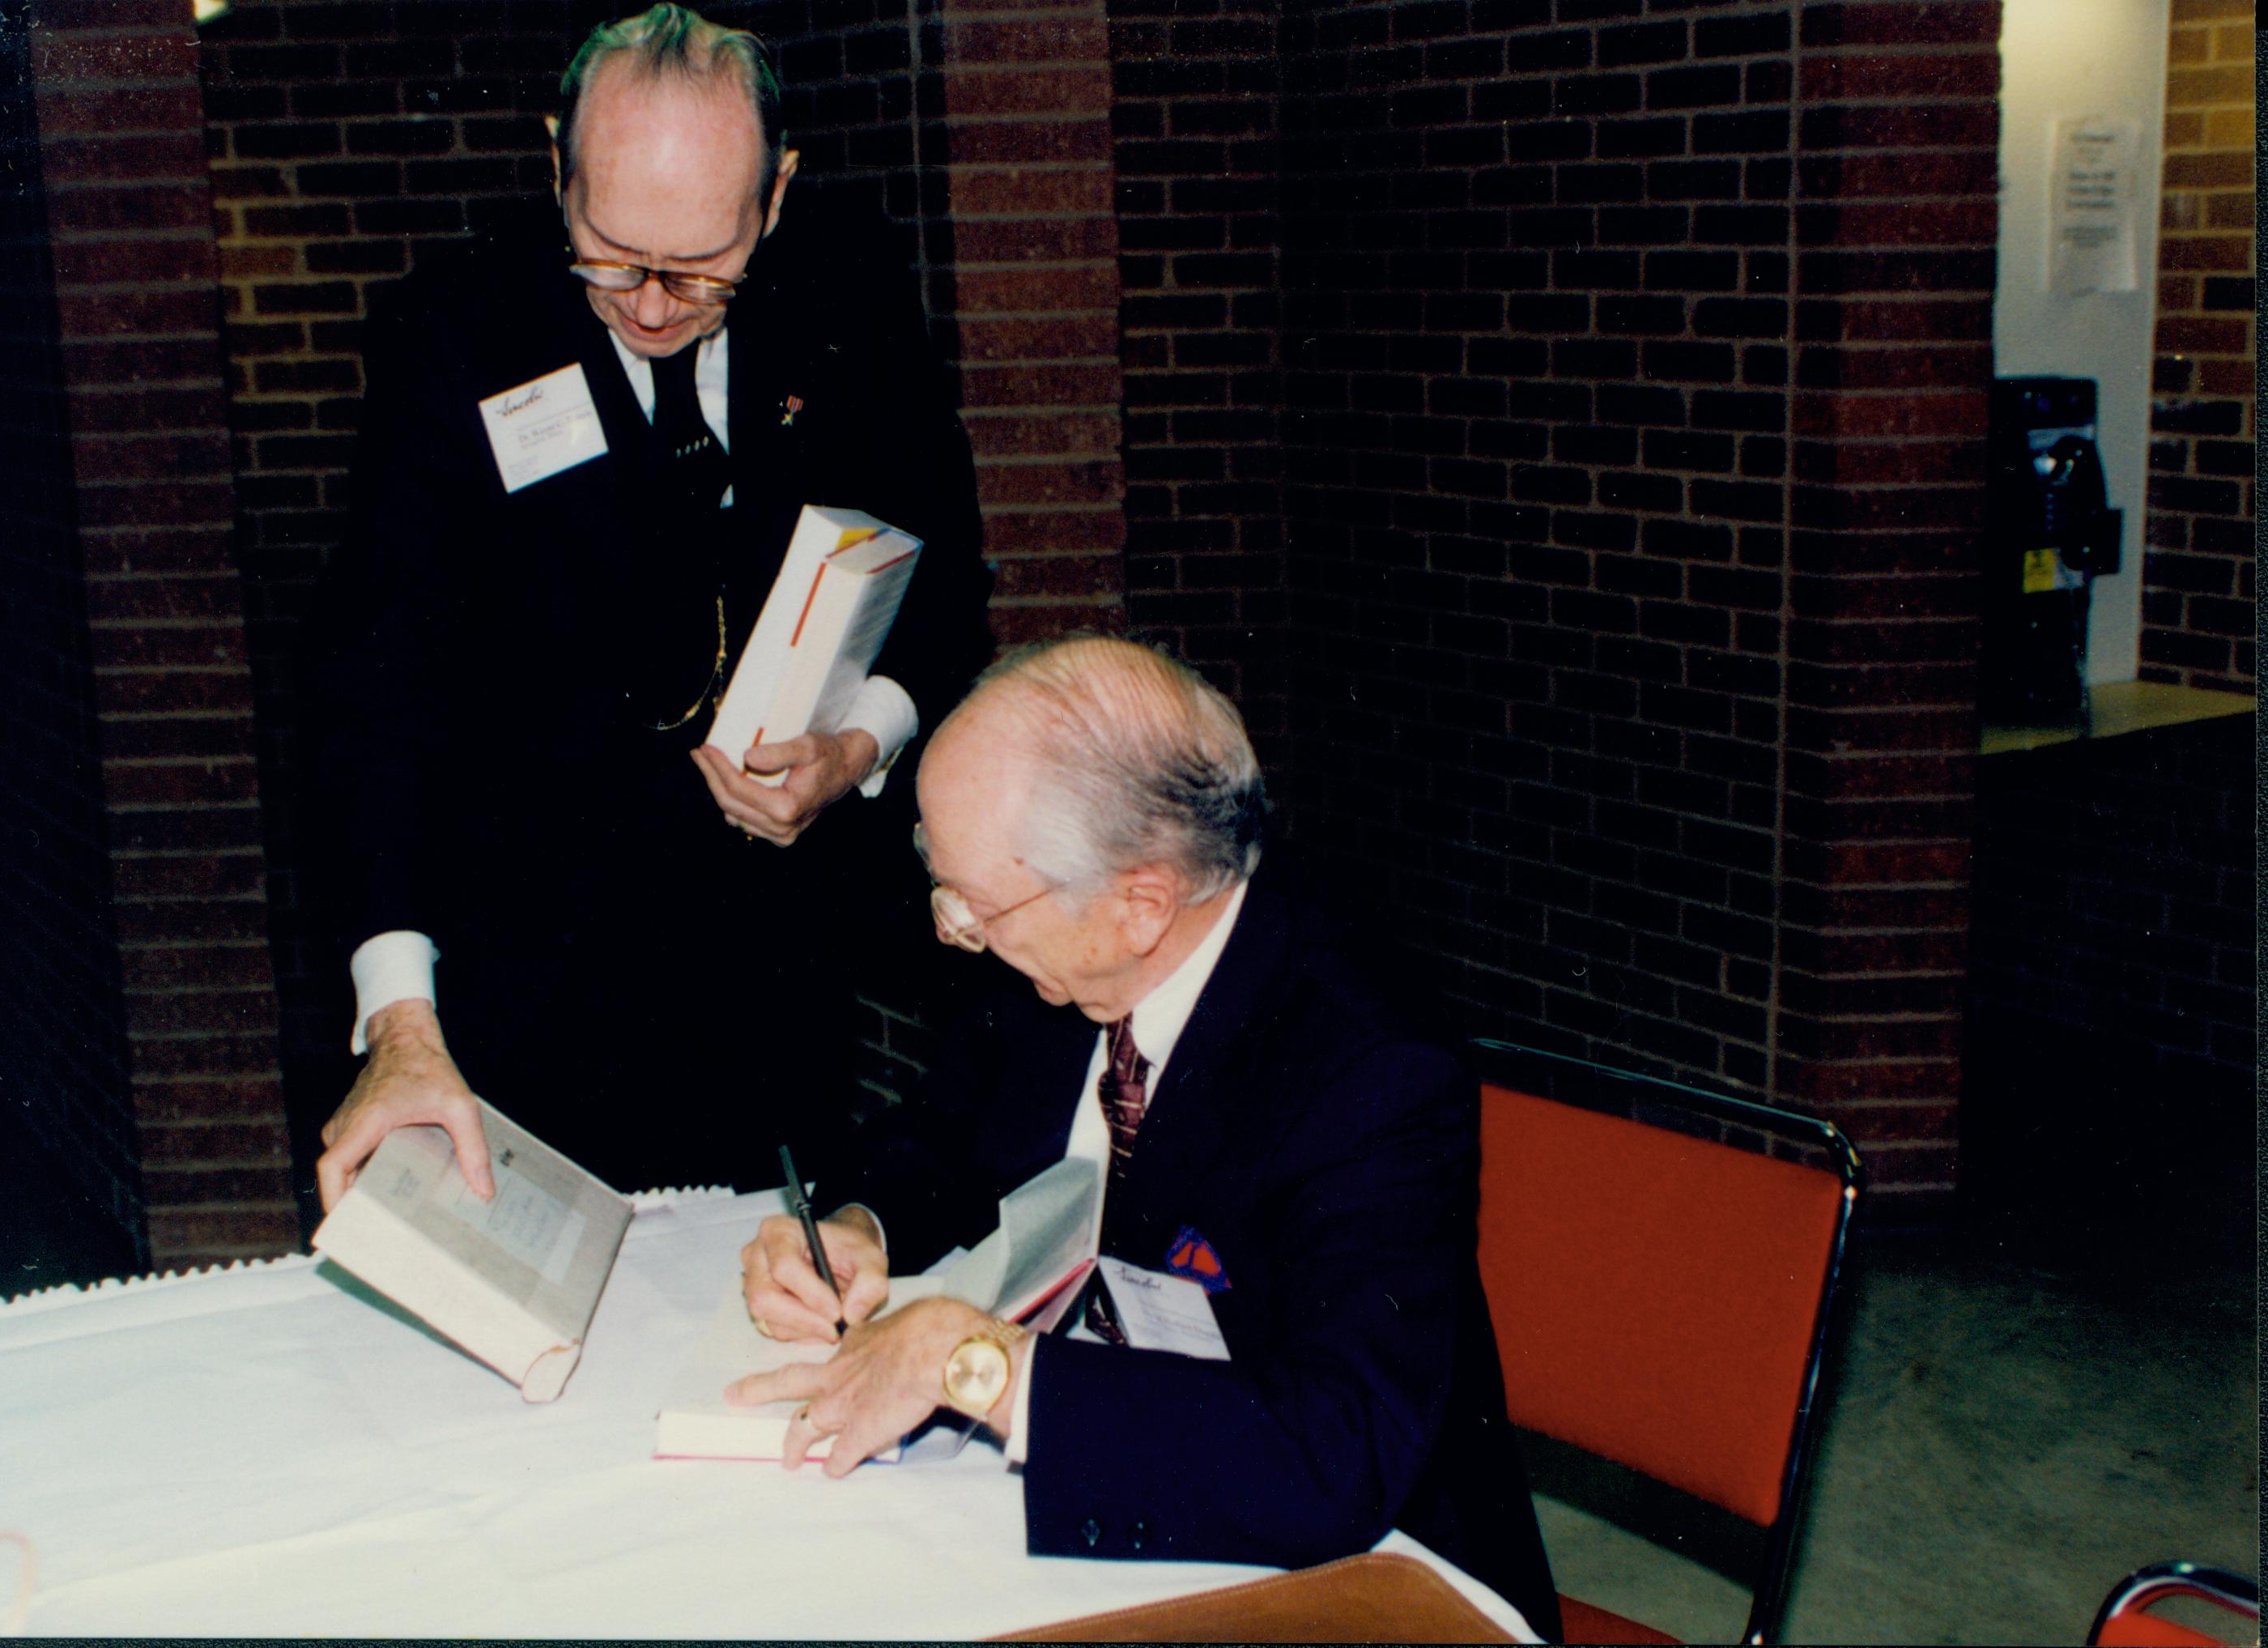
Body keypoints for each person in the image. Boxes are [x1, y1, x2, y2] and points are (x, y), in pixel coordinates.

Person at [731, 637, 1560, 1642]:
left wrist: (976, 1362)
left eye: (972, 905)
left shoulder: (1364, 1063)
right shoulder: (1058, 951)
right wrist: (858, 1222)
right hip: (1129, 1488)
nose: (953, 928)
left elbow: (1336, 1453)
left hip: (1368, 1574)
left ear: (1141, 904)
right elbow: (944, 1133)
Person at [300, 5, 992, 1208]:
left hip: (772, 968)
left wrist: (856, 744)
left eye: (702, 267)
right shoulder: (453, 333)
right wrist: (401, 1012)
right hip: (525, 961)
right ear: (557, 158)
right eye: (612, 255)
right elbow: (379, 681)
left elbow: (943, 571)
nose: (656, 306)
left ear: (774, 196)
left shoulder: (849, 295)